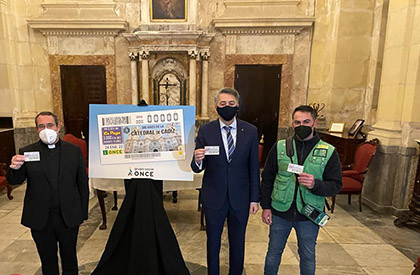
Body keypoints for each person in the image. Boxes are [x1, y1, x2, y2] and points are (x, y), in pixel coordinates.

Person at [260, 105, 342, 275]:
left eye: (306, 121)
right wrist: (266, 207)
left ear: (315, 123)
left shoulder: (328, 151)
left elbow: (335, 185)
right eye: (297, 122)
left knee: (307, 256)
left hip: (309, 213)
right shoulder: (280, 147)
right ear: (292, 124)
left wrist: (315, 184)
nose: (301, 125)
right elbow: (267, 178)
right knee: (273, 253)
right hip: (280, 210)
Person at [7, 111, 89, 275]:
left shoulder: (73, 151)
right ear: (37, 130)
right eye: (41, 126)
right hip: (40, 218)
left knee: (70, 261)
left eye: (50, 125)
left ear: (58, 127)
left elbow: (82, 185)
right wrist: (14, 168)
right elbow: (16, 180)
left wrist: (83, 214)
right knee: (48, 262)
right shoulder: (27, 152)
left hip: (68, 216)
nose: (46, 129)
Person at [191, 87, 260, 275]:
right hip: (214, 197)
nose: (227, 107)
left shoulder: (250, 131)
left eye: (231, 103)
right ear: (216, 107)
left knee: (238, 242)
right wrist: (197, 160)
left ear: (238, 105)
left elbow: (254, 167)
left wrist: (255, 199)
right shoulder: (206, 130)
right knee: (213, 242)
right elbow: (198, 165)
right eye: (223, 104)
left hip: (241, 198)